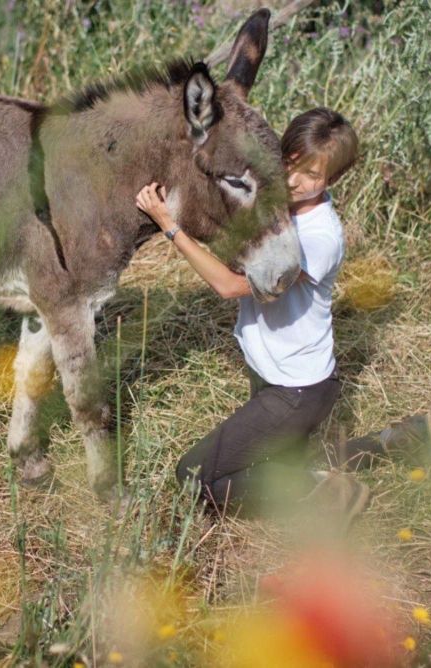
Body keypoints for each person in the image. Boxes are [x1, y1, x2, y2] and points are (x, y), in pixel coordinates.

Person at [135, 107, 368, 519]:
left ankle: (328, 491)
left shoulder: (318, 237)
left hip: (296, 390)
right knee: (260, 469)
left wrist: (169, 225)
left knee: (194, 476)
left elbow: (228, 286)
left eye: (313, 176)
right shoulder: (274, 204)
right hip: (274, 378)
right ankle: (352, 456)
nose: (296, 182)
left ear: (332, 180)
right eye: (291, 164)